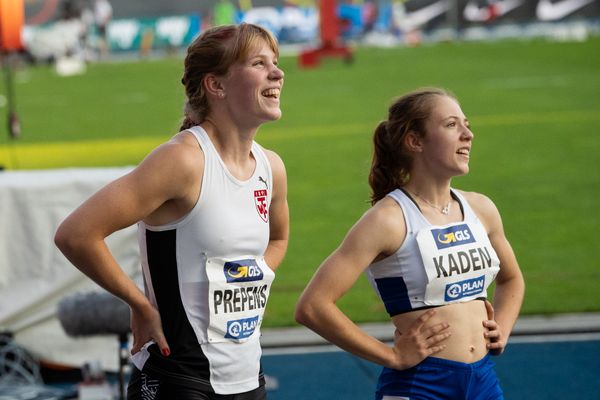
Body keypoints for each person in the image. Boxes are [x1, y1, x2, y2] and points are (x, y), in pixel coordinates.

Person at [55, 23, 288, 399]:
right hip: (179, 380)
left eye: (275, 62)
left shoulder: (271, 167)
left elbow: (278, 238)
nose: (278, 72)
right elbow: (76, 234)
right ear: (217, 85)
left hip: (247, 379)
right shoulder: (182, 161)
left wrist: (247, 278)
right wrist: (139, 302)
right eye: (259, 63)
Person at [295, 88, 524, 400]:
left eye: (466, 124)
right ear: (415, 141)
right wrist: (390, 357)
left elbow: (511, 279)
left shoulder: (481, 209)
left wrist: (503, 327)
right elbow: (312, 306)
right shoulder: (387, 219)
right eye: (451, 125)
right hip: (421, 385)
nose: (468, 134)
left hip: (482, 380)